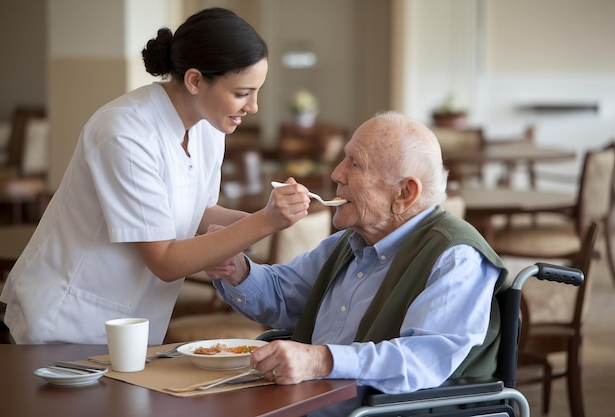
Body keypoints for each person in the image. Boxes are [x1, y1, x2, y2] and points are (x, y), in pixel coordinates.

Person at [0, 8, 310, 344]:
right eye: (241, 93)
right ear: (194, 80)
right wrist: (264, 222)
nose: (253, 107)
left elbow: (199, 214)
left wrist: (270, 220)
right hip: (68, 320)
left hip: (132, 322)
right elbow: (165, 260)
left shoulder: (208, 128)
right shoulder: (125, 132)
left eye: (256, 92)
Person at [206, 111, 509, 417]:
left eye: (355, 164)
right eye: (344, 158)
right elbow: (284, 296)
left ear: (405, 192)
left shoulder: (456, 257)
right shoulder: (351, 241)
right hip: (302, 405)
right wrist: (237, 270)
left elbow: (421, 361)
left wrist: (320, 360)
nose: (337, 174)